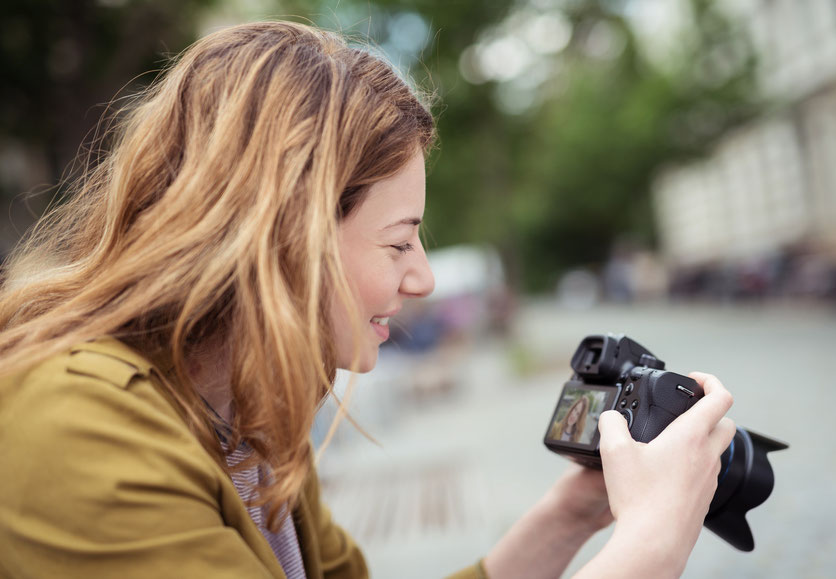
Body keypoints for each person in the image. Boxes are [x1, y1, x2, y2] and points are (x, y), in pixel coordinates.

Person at [0, 21, 736, 579]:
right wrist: (646, 544)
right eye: (397, 243)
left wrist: (570, 514)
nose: (420, 279)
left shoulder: (245, 416)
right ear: (285, 234)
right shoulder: (79, 430)